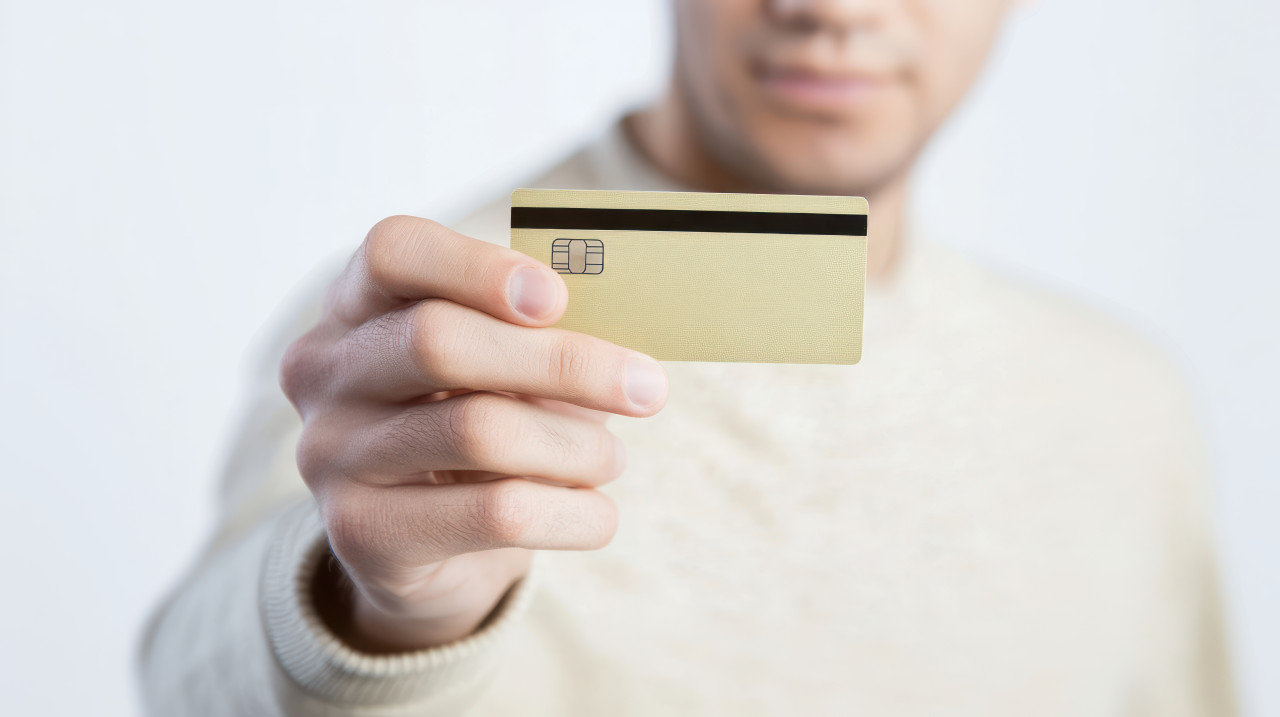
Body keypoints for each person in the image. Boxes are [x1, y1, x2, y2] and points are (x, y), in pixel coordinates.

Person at [136, 1, 1237, 715]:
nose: (834, 11)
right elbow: (191, 680)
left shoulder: (1122, 406)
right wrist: (378, 611)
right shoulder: (416, 333)